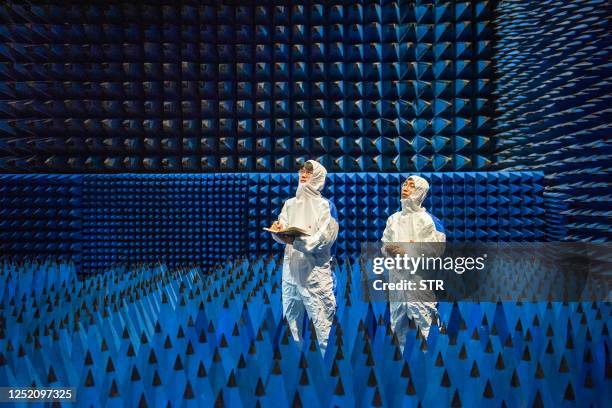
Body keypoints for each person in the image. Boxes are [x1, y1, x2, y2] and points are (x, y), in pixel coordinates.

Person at [268, 160, 339, 354]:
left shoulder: (326, 206)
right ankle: (296, 369)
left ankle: (325, 368)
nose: (304, 173)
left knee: (322, 322)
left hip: (314, 274)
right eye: (302, 169)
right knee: (291, 322)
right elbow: (282, 230)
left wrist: (294, 241)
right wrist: (277, 232)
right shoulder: (290, 204)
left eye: (309, 170)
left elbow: (325, 240)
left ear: (318, 176)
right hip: (290, 273)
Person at [381, 175, 446, 349]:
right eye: (404, 185)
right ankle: (401, 368)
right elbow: (385, 245)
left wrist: (407, 250)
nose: (405, 188)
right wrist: (389, 250)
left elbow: (435, 251)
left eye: (411, 186)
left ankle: (431, 366)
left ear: (420, 192)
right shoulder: (393, 220)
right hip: (396, 284)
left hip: (420, 284)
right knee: (398, 328)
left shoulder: (429, 221)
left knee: (425, 326)